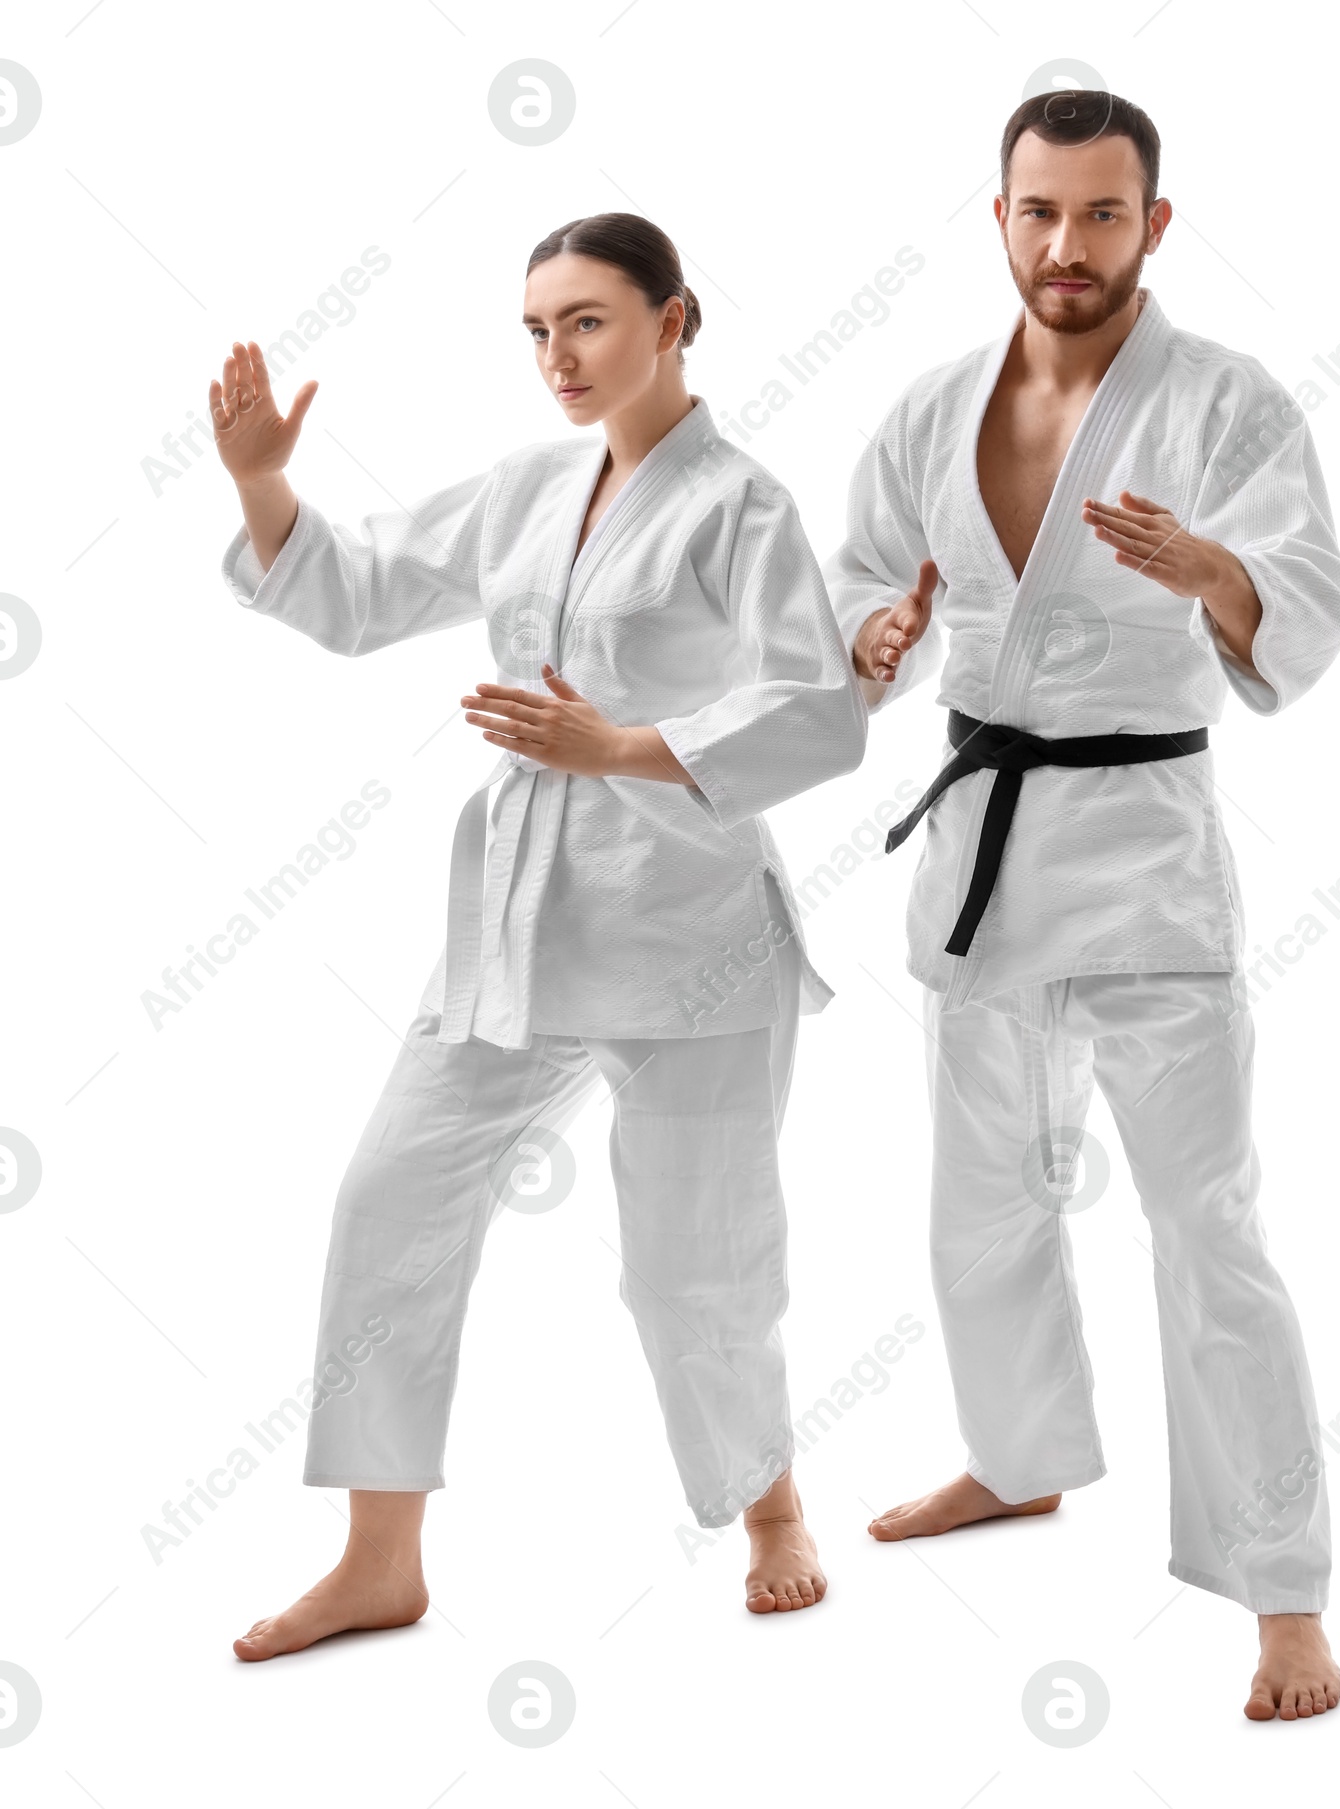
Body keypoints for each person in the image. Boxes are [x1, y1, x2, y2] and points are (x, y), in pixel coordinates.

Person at [211, 212, 866, 1659]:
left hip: (688, 930)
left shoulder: (739, 506)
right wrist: (268, 486)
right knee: (390, 1198)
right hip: (516, 919)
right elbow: (361, 586)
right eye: (537, 328)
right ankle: (379, 1555)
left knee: (696, 1265)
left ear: (672, 322)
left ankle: (769, 1510)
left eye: (587, 320)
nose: (558, 354)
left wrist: (620, 744)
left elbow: (820, 712)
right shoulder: (526, 488)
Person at [825, 92, 1340, 1721]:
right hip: (983, 849)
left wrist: (1215, 574)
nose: (1069, 246)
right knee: (983, 1203)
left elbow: (1317, 591)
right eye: (1040, 211)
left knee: (1208, 1228)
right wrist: (873, 636)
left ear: (1155, 224)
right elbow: (856, 570)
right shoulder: (928, 409)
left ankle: (1284, 1592)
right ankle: (1018, 1455)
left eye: (1104, 214)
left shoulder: (1224, 403)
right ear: (997, 216)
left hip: (1142, 855)